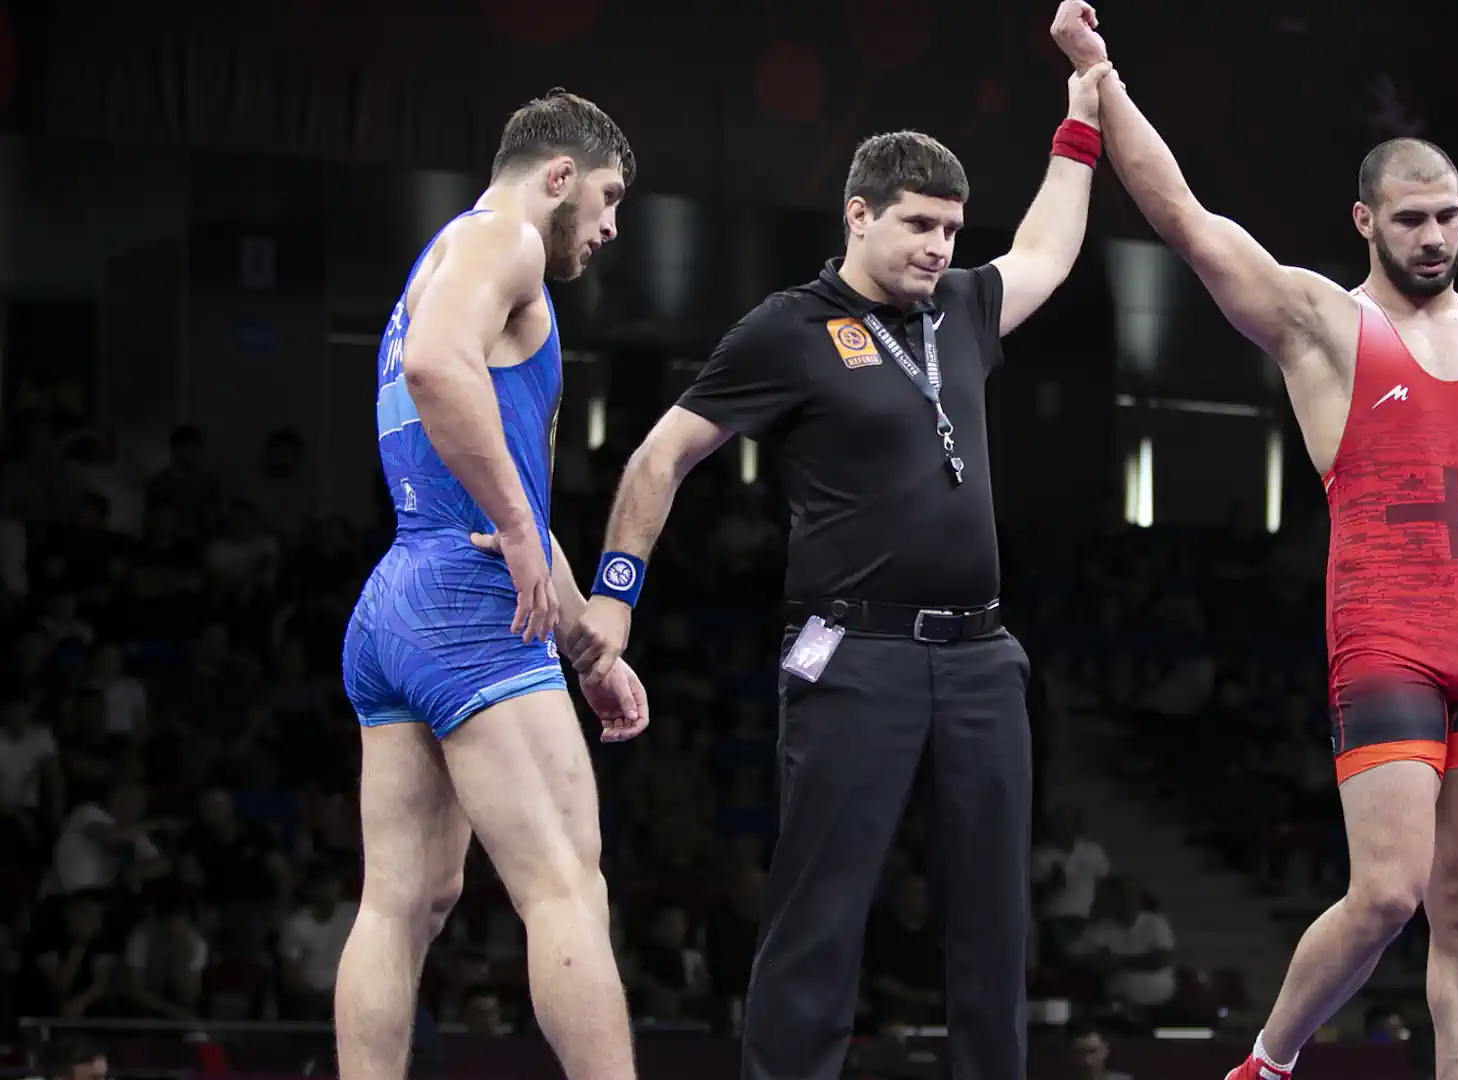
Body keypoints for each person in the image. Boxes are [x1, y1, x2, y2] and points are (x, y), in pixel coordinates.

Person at [1050, 7, 1458, 1080]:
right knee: (1387, 896)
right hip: (1387, 646)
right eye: (1411, 220)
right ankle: (1269, 1062)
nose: (1435, 238)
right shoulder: (1322, 325)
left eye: (1450, 217)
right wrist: (1101, 73)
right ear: (1365, 219)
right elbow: (1183, 217)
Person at [565, 9, 1112, 1077]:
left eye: (951, 231)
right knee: (823, 909)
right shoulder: (787, 329)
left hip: (984, 660)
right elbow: (655, 460)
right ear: (857, 215)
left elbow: (1048, 244)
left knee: (998, 924)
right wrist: (616, 596)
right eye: (917, 226)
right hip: (854, 656)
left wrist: (1081, 110)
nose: (939, 249)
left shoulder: (961, 308)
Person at [335, 88, 651, 1080]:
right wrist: (518, 533)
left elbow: (490, 487)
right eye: (604, 201)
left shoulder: (445, 262)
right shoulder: (503, 241)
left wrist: (583, 646)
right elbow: (435, 370)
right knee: (565, 884)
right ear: (558, 175)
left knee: (406, 899)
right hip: (467, 606)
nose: (606, 228)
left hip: (397, 601)